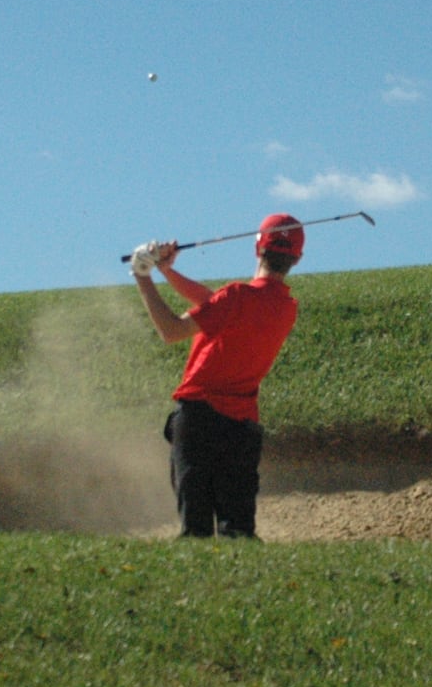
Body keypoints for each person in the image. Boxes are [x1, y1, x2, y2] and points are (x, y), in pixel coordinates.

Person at [130, 214, 303, 539]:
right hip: (242, 431)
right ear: (297, 258)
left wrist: (143, 276)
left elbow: (172, 331)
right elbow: (214, 305)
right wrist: (167, 271)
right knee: (237, 531)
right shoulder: (285, 307)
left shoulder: (235, 298)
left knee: (196, 531)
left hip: (199, 422)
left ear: (257, 249)